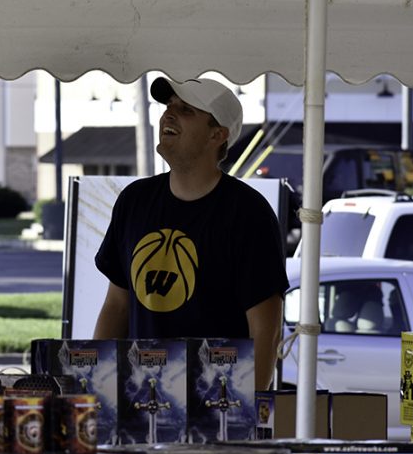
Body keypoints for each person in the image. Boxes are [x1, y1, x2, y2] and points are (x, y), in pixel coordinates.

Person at [93, 76, 288, 391]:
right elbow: (117, 305)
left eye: (185, 110)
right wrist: (97, 389)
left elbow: (266, 326)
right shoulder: (134, 201)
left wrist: (251, 411)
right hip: (140, 398)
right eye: (169, 106)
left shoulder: (248, 212)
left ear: (216, 134)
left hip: (215, 405)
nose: (169, 114)